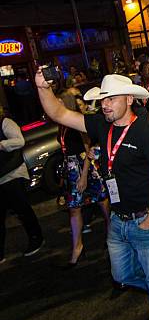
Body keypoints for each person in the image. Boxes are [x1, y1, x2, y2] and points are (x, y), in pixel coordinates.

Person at [36, 72, 149, 320]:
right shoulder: (99, 126)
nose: (105, 105)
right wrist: (43, 87)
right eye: (103, 99)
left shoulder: (144, 133)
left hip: (146, 218)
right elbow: (57, 112)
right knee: (122, 276)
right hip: (118, 220)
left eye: (112, 99)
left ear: (129, 100)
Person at [57, 91, 110, 267]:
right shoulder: (62, 123)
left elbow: (88, 147)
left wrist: (84, 175)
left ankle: (114, 236)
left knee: (103, 201)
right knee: (74, 208)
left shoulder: (77, 120)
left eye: (58, 100)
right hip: (72, 168)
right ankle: (77, 248)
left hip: (84, 166)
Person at [0, 105, 44, 263]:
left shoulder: (5, 122)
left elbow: (19, 141)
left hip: (12, 173)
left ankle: (36, 238)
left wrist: (2, 144)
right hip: (2, 176)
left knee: (22, 209)